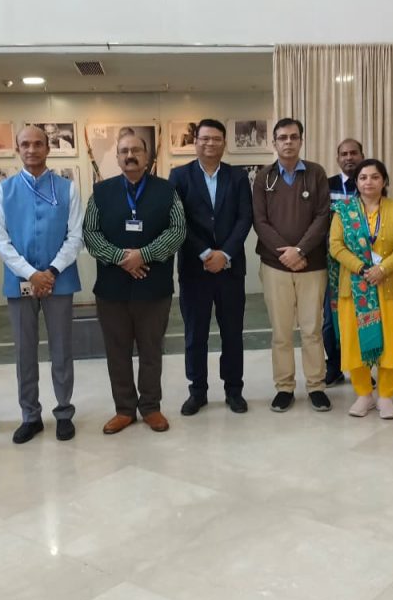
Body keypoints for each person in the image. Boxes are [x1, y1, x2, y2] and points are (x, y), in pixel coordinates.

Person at [84, 127, 186, 434]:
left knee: (151, 351)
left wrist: (144, 255)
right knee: (117, 353)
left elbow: (178, 230)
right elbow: (90, 233)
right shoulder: (100, 193)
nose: (130, 156)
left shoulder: (167, 191)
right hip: (112, 290)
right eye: (124, 151)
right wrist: (121, 258)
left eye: (136, 150)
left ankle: (151, 407)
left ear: (147, 156)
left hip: (154, 288)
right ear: (117, 158)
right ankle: (124, 410)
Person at [0, 126, 84, 444]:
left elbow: (75, 236)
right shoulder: (3, 191)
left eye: (38, 144)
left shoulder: (67, 189)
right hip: (20, 282)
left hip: (60, 279)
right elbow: (1, 241)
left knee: (62, 349)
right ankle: (30, 415)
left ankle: (64, 412)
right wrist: (31, 273)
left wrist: (52, 271)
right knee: (24, 351)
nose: (32, 149)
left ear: (48, 148)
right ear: (17, 149)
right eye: (25, 144)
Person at [169, 119, 253, 416]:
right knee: (195, 335)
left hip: (231, 269)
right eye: (204, 138)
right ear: (195, 142)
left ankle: (234, 390)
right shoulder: (179, 176)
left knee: (232, 333)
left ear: (224, 143)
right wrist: (205, 253)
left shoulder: (238, 176)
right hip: (195, 269)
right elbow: (177, 220)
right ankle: (198, 391)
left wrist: (225, 253)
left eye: (216, 139)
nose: (210, 143)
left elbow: (245, 218)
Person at [253, 118, 331, 413]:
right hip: (275, 266)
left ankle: (316, 386)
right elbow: (260, 220)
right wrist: (285, 254)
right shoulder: (264, 177)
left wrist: (299, 250)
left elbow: (323, 216)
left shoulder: (316, 173)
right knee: (281, 331)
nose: (288, 142)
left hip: (312, 264)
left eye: (293, 137)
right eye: (282, 137)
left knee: (312, 329)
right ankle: (284, 387)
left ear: (301, 140)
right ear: (274, 142)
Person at [329, 159, 393, 419]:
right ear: (356, 182)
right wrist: (362, 268)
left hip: (387, 285)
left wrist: (383, 269)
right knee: (354, 343)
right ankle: (364, 394)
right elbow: (335, 245)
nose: (369, 182)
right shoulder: (343, 211)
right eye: (363, 177)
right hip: (354, 288)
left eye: (375, 177)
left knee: (391, 342)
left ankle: (386, 395)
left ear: (384, 180)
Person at [324, 138, 364, 386]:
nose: (349, 157)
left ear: (362, 155)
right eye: (344, 154)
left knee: (364, 315)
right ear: (338, 158)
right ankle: (334, 366)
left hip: (364, 263)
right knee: (331, 318)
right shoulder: (326, 185)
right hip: (333, 263)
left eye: (354, 153)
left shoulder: (369, 183)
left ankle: (362, 369)